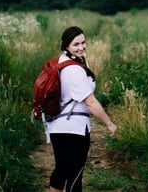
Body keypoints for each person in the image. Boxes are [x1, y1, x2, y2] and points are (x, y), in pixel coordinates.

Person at [48, 26, 117, 192]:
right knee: (75, 174)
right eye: (76, 44)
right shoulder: (74, 70)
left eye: (83, 42)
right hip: (75, 128)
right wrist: (109, 123)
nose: (81, 47)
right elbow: (91, 102)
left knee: (61, 169)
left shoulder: (60, 62)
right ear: (66, 46)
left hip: (57, 126)